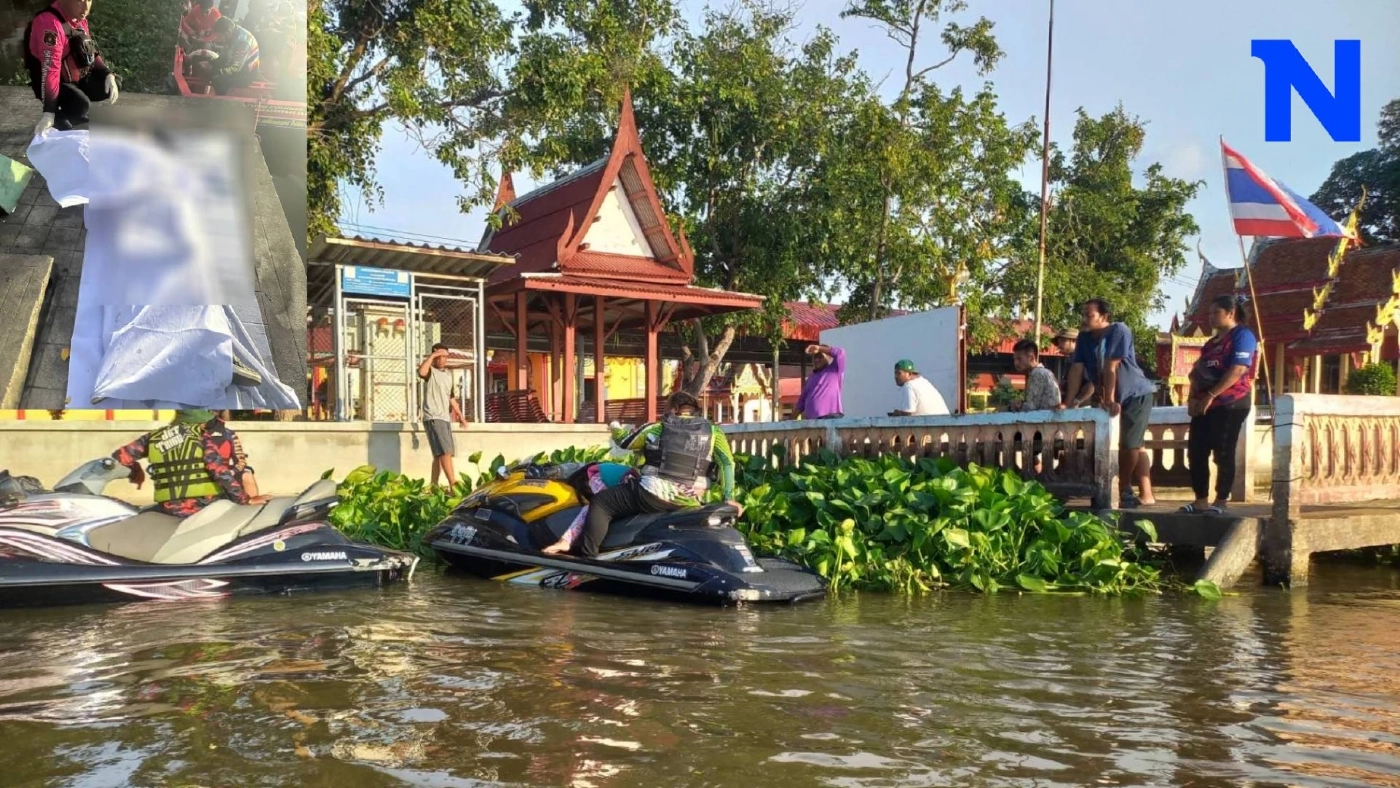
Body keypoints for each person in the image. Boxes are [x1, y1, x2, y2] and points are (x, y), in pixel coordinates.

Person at [578, 391, 741, 558]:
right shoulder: (714, 432)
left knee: (602, 502)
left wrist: (614, 426)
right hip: (688, 500)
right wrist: (729, 497)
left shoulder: (658, 428)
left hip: (652, 494)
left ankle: (588, 558)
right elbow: (727, 464)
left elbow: (625, 442)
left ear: (674, 409)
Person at [1059, 298, 1158, 508]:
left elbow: (1111, 366)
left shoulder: (1119, 330)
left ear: (1104, 316)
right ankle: (1146, 493)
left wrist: (1109, 399)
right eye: (1083, 314)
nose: (1084, 318)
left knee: (1129, 444)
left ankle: (1124, 489)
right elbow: (1076, 369)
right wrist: (1067, 403)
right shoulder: (1085, 338)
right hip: (1109, 395)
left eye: (1089, 315)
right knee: (1136, 445)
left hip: (1135, 394)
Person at [112, 409, 271, 518]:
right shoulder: (200, 436)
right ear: (198, 422)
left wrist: (135, 470)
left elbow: (120, 456)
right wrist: (245, 500)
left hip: (168, 507)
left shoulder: (153, 437)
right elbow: (219, 471)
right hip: (204, 505)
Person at [1181, 294, 1258, 515]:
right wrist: (1193, 398)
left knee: (1223, 451)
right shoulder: (1210, 344)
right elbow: (1196, 372)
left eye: (1216, 313)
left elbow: (1238, 369)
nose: (1211, 317)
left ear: (1230, 313)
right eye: (1210, 313)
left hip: (1231, 402)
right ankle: (1200, 500)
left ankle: (1221, 500)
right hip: (1205, 404)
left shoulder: (1242, 336)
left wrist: (1212, 395)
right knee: (1196, 451)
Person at [24, 0, 117, 136]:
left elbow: (91, 51)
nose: (86, 8)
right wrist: (49, 112)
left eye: (89, 0)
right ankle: (58, 118)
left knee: (110, 84)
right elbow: (51, 69)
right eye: (80, 1)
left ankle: (72, 111)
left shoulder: (79, 17)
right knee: (81, 103)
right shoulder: (50, 24)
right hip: (50, 80)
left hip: (76, 75)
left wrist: (108, 73)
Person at [540, 462, 638, 555]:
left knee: (598, 507)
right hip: (600, 476)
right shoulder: (599, 482)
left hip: (604, 472)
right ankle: (566, 541)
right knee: (595, 507)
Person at [418, 343, 469, 488]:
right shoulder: (430, 371)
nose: (442, 359)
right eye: (439, 356)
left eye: (444, 356)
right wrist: (433, 355)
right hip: (434, 416)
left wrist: (460, 416)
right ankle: (453, 485)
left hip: (444, 418)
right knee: (445, 452)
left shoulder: (447, 375)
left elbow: (451, 397)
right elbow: (421, 372)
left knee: (439, 454)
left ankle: (433, 486)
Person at [205, 410, 261, 498]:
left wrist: (232, 471)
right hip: (204, 473)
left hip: (227, 472)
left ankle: (254, 506)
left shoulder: (229, 434)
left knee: (247, 475)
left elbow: (241, 462)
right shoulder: (193, 434)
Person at [207, 17, 261, 95]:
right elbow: (223, 58)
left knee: (218, 80)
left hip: (246, 74)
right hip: (235, 66)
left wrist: (215, 70)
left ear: (228, 32)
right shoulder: (231, 35)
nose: (219, 39)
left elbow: (235, 69)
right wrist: (210, 63)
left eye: (220, 37)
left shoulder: (243, 43)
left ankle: (221, 102)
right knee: (209, 71)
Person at [793, 343, 845, 419]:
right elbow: (801, 402)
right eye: (815, 357)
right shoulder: (810, 378)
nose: (816, 360)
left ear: (829, 358)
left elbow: (840, 353)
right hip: (812, 422)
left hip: (831, 417)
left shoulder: (834, 370)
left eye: (820, 356)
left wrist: (819, 348)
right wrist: (790, 419)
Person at [1007, 340, 1061, 412]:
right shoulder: (1037, 373)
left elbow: (1031, 408)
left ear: (1031, 358)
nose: (1016, 363)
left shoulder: (1038, 373)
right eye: (1014, 359)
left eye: (1019, 359)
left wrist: (1016, 406)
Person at [1052, 328, 1094, 405]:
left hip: (1083, 410)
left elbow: (1091, 384)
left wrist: (1076, 401)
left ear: (1074, 341)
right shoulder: (1070, 359)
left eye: (1062, 340)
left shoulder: (1084, 360)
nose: (1059, 345)